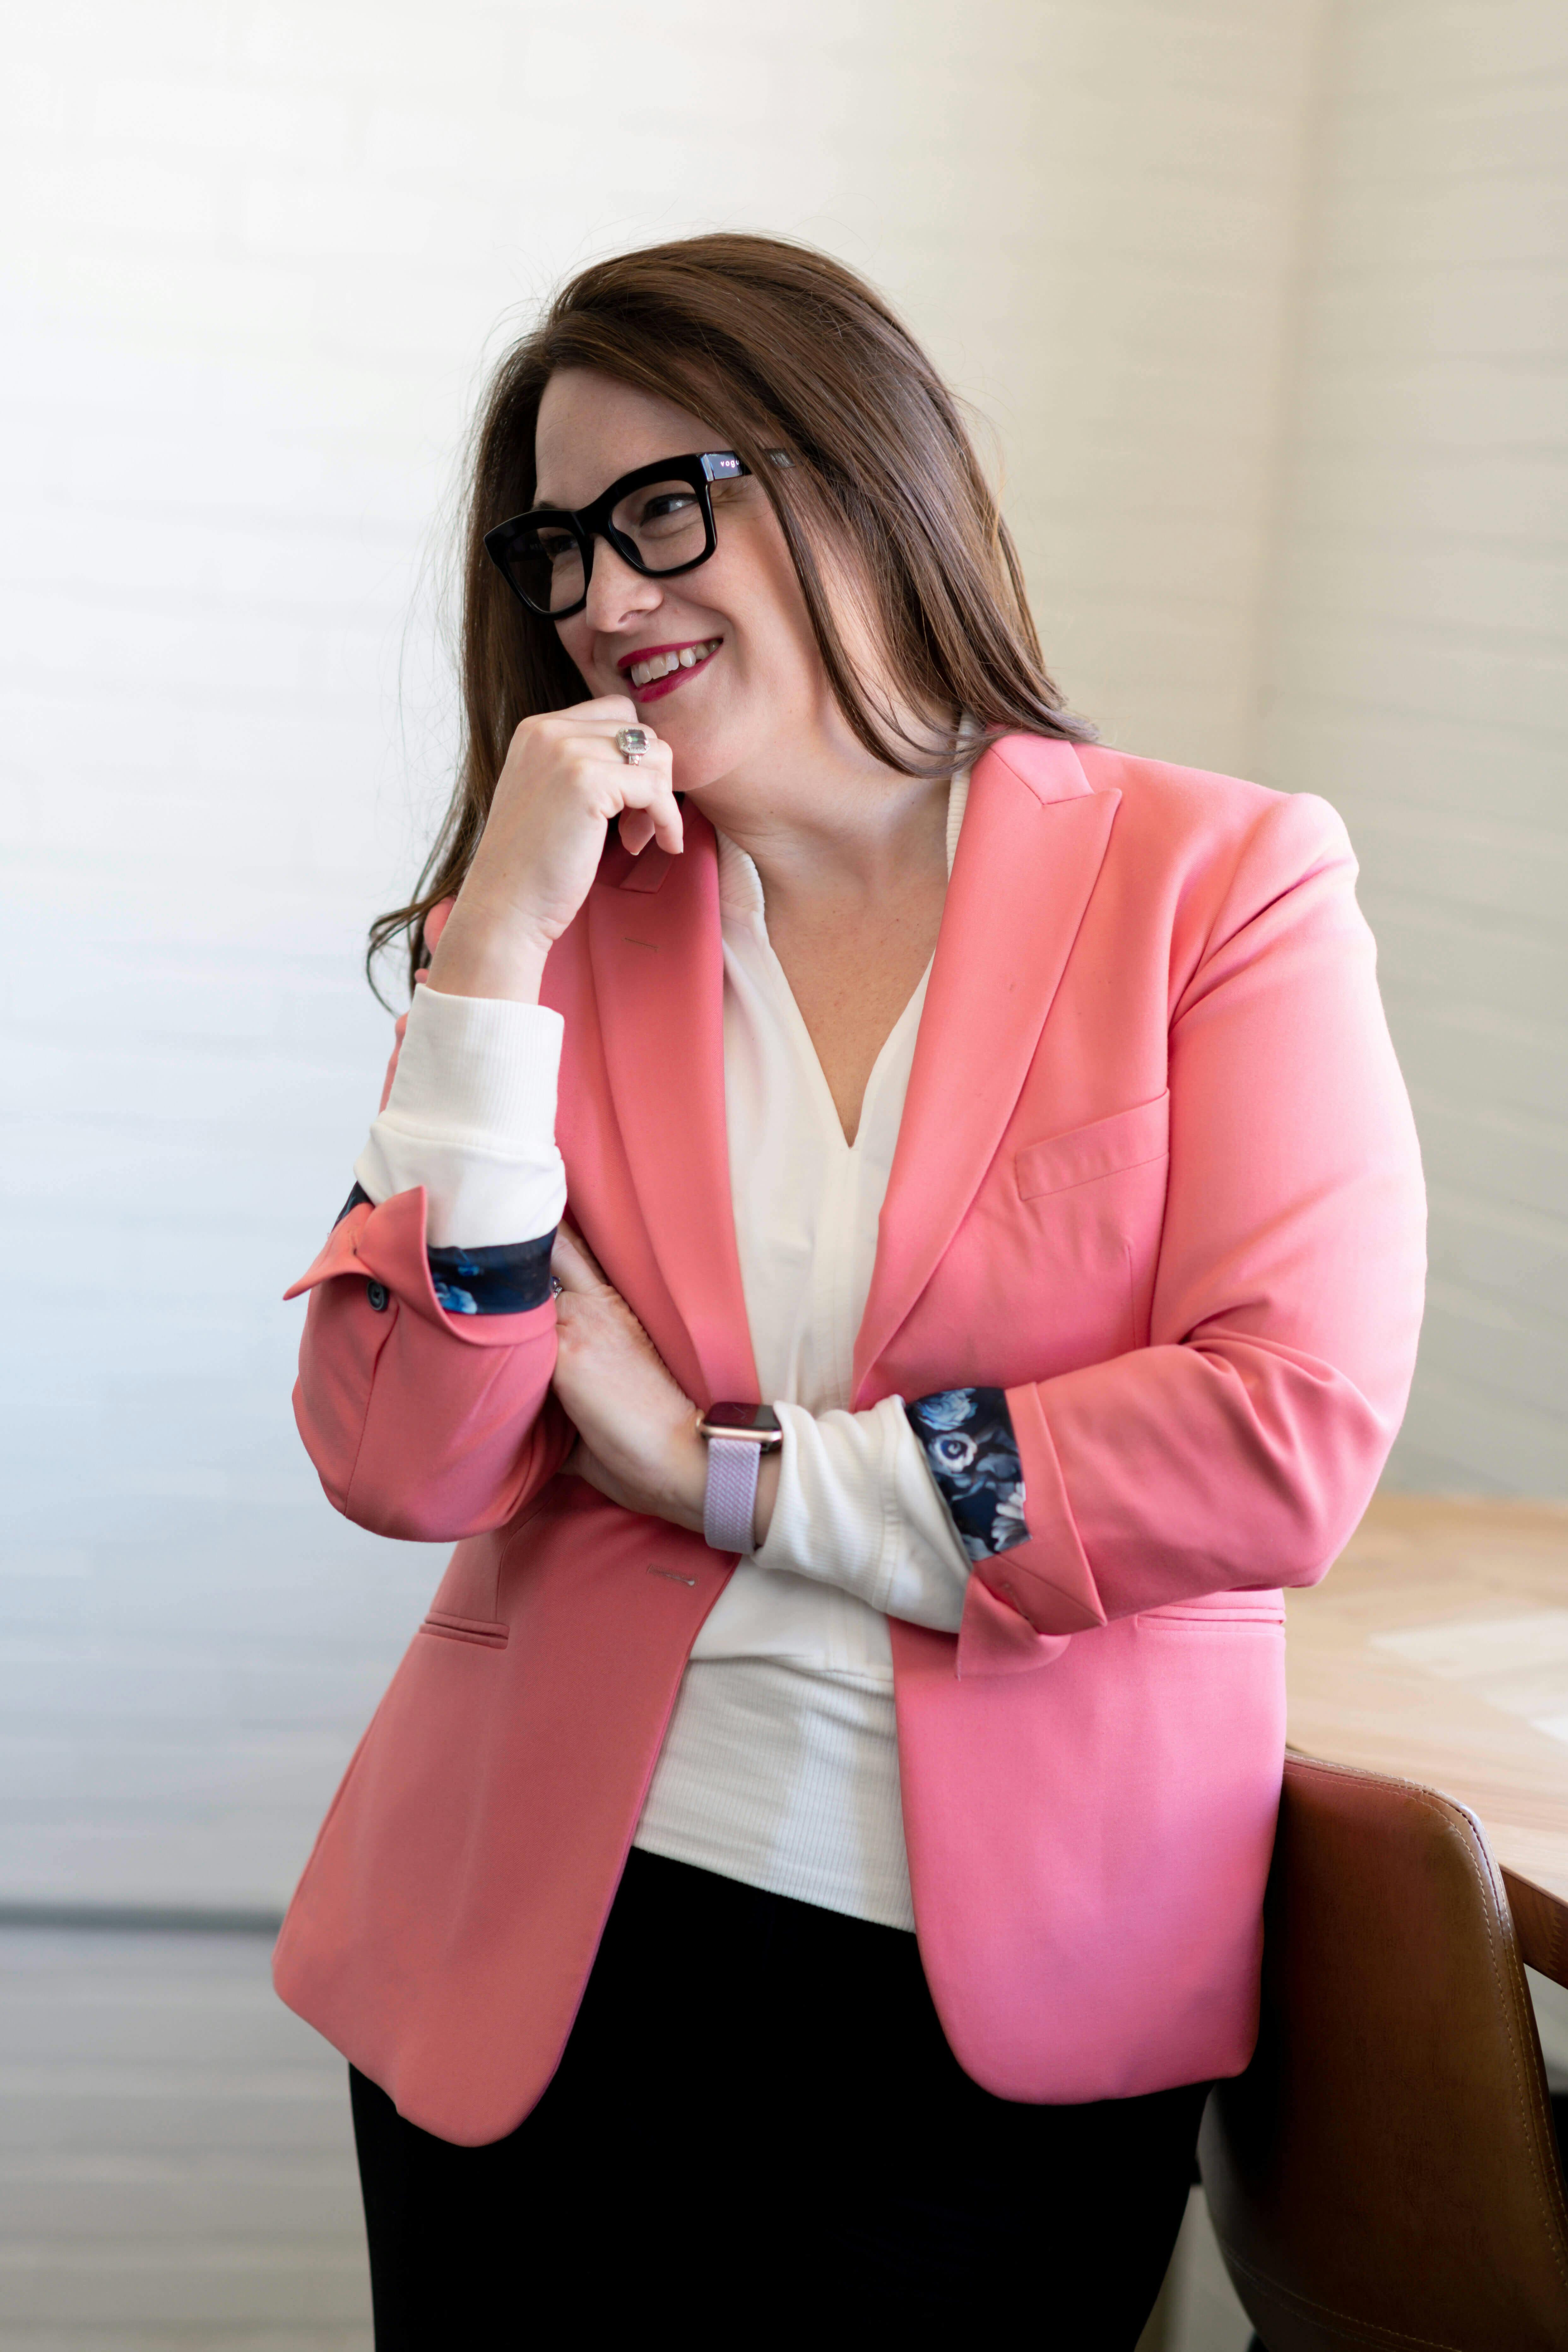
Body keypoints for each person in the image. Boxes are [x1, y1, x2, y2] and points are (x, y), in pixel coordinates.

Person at [274, 233, 1425, 2342]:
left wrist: (728, 1472)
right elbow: (406, 1459)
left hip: (1006, 1994)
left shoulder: (1216, 882)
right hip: (538, 1944)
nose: (607, 601)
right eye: (559, 550)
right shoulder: (555, 941)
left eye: (661, 512)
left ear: (860, 477)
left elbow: (1285, 1437)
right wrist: (493, 960)